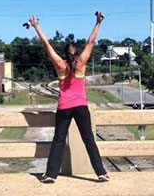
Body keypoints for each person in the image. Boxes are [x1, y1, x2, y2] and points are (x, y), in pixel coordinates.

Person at [26, 11, 109, 184]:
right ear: (77, 52)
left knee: (58, 140)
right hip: (81, 107)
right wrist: (98, 23)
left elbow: (46, 44)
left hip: (64, 108)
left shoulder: (60, 65)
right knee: (89, 140)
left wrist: (36, 26)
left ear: (64, 53)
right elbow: (91, 41)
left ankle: (50, 175)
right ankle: (101, 173)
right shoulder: (81, 63)